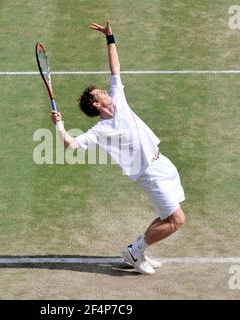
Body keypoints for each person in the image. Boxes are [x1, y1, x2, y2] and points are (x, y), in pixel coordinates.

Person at [50, 21, 186, 275]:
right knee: (177, 220)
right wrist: (60, 125)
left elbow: (115, 68)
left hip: (163, 163)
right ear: (97, 104)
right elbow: (71, 144)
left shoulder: (119, 99)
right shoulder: (101, 131)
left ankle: (137, 249)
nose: (105, 90)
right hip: (150, 174)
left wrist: (109, 37)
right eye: (100, 92)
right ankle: (135, 252)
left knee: (167, 217)